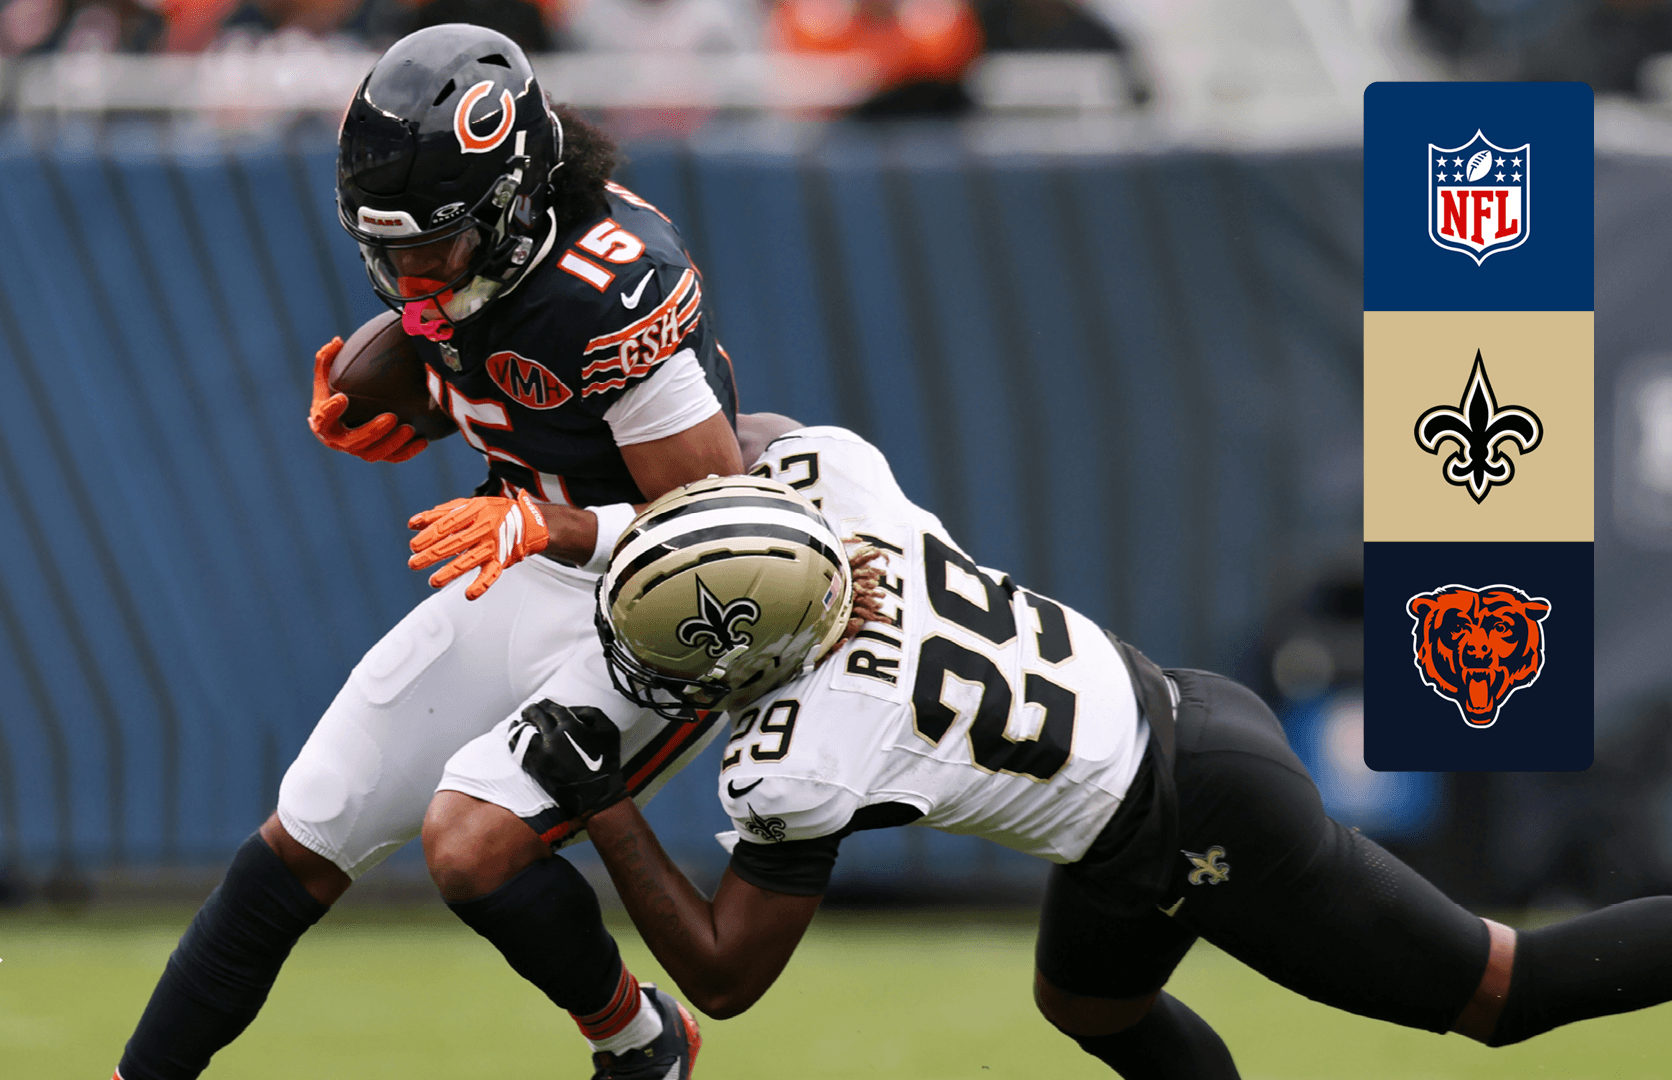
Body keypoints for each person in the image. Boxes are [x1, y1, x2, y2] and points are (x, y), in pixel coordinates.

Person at [497, 418, 1672, 1078]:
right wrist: (681, 516)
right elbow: (744, 435)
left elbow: (723, 980)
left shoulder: (801, 755)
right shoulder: (834, 487)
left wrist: (606, 804)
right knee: (1091, 1006)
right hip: (1167, 733)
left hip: (1196, 814)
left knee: (1501, 994)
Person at [112, 23, 743, 1080]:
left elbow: (719, 530)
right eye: (387, 252)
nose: (408, 280)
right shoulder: (470, 259)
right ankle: (646, 1046)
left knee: (470, 844)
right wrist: (424, 404)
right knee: (305, 832)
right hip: (531, 566)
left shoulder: (610, 286)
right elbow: (488, 360)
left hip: (663, 604)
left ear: (513, 203)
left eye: (430, 250)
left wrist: (548, 522)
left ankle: (638, 1043)